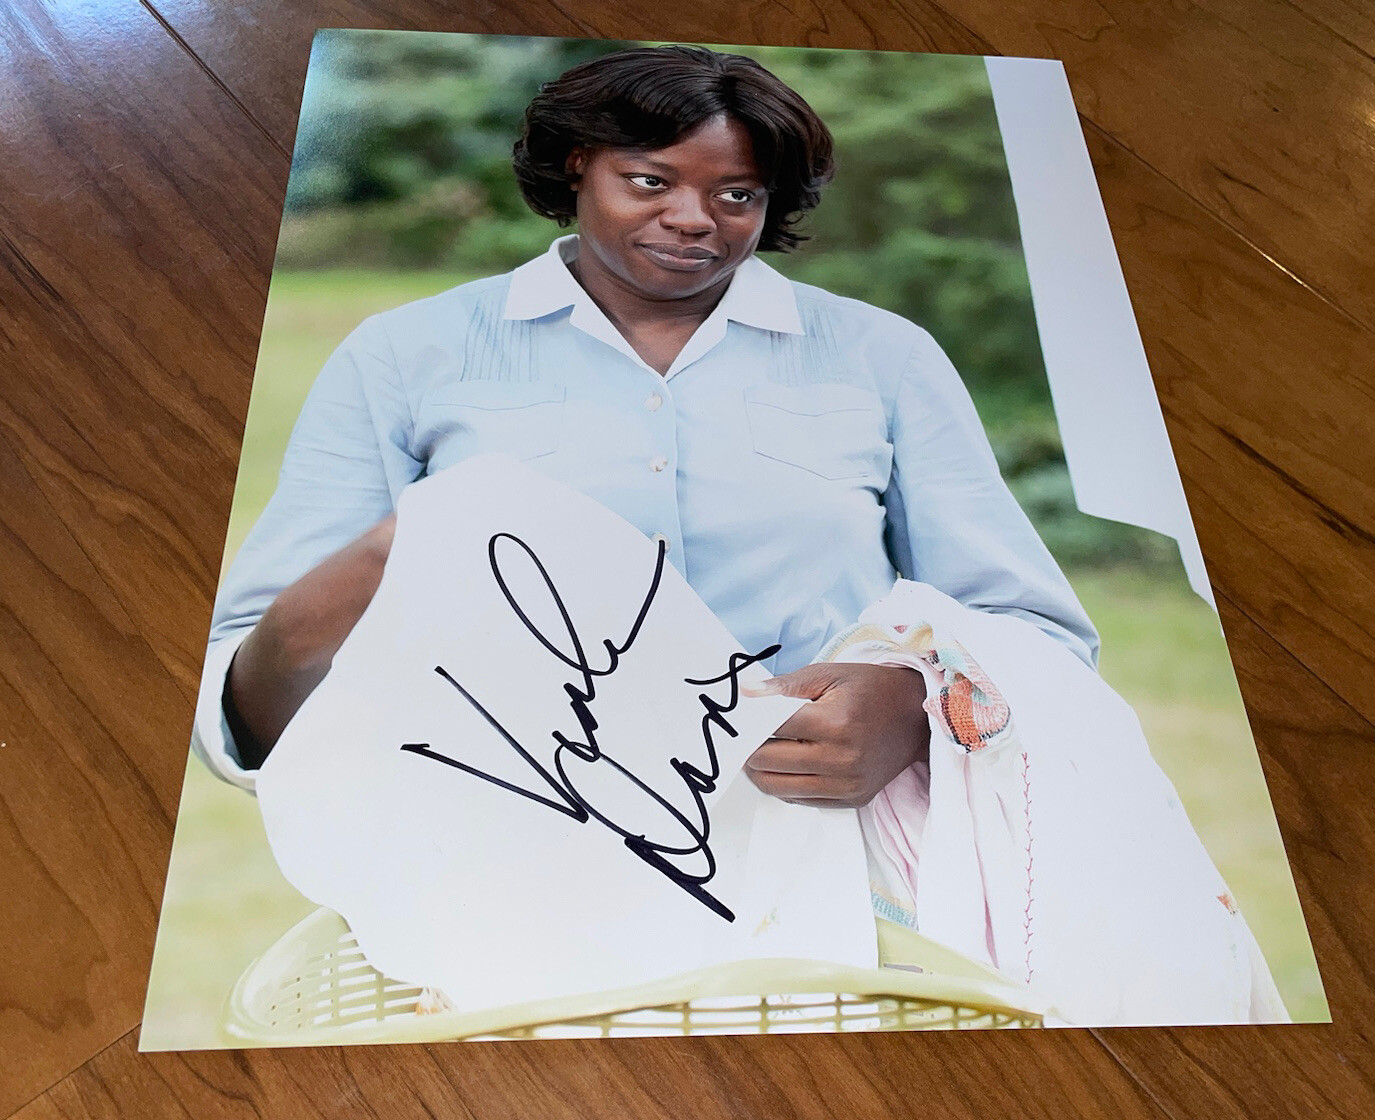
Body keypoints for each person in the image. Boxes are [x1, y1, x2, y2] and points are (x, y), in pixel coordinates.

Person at [192, 44, 1281, 1023]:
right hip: (509, 857)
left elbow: (1035, 628)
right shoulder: (407, 357)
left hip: (842, 865)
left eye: (736, 193)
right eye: (649, 180)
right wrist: (385, 571)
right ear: (575, 165)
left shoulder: (880, 359)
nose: (693, 219)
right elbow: (252, 673)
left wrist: (913, 707)